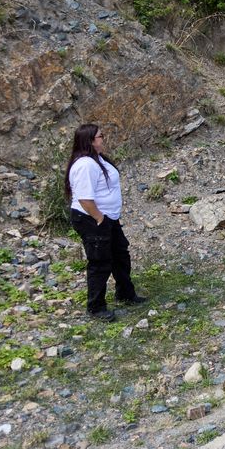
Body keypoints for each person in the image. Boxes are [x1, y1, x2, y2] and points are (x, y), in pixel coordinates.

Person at [66, 124, 145, 321]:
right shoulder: (85, 164)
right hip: (92, 218)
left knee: (120, 254)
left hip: (107, 217)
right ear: (90, 140)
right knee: (100, 262)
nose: (104, 139)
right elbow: (84, 199)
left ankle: (125, 293)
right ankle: (96, 307)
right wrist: (99, 218)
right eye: (101, 136)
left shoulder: (97, 160)